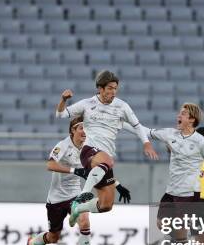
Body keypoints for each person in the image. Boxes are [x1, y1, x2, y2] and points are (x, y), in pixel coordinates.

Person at [24, 116, 131, 245]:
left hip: (76, 194)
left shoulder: (90, 148)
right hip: (56, 198)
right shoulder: (63, 145)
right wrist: (75, 170)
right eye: (81, 128)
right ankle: (32, 242)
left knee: (85, 222)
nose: (84, 132)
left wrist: (118, 185)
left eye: (86, 128)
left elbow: (101, 170)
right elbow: (50, 165)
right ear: (73, 130)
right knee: (53, 237)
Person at [55, 70, 157, 227]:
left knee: (106, 205)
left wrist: (146, 142)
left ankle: (78, 209)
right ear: (100, 89)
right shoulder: (87, 104)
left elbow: (137, 126)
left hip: (104, 160)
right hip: (89, 151)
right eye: (109, 88)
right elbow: (61, 114)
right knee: (106, 160)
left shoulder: (122, 106)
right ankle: (82, 196)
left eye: (115, 88)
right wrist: (63, 100)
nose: (113, 91)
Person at [145, 104, 204, 245]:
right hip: (176, 192)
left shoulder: (203, 150)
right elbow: (153, 134)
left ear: (192, 119)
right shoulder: (181, 139)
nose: (178, 115)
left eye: (183, 113)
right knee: (167, 226)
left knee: (201, 241)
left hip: (197, 198)